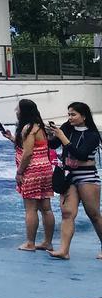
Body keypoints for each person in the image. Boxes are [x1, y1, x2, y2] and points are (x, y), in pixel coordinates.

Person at [47, 101, 102, 260]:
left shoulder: (92, 135)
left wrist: (62, 136)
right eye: (68, 114)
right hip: (68, 175)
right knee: (67, 213)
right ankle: (64, 250)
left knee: (94, 214)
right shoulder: (66, 128)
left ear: (83, 116)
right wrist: (52, 135)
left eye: (73, 114)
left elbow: (81, 155)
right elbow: (53, 145)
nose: (69, 117)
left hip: (87, 176)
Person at [12, 98, 55, 252]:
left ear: (23, 112)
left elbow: (28, 153)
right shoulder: (40, 127)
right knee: (46, 208)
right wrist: (12, 139)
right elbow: (34, 147)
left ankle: (30, 243)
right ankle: (48, 242)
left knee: (30, 208)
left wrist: (19, 172)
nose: (16, 112)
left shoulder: (28, 128)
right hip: (45, 169)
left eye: (18, 109)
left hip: (32, 171)